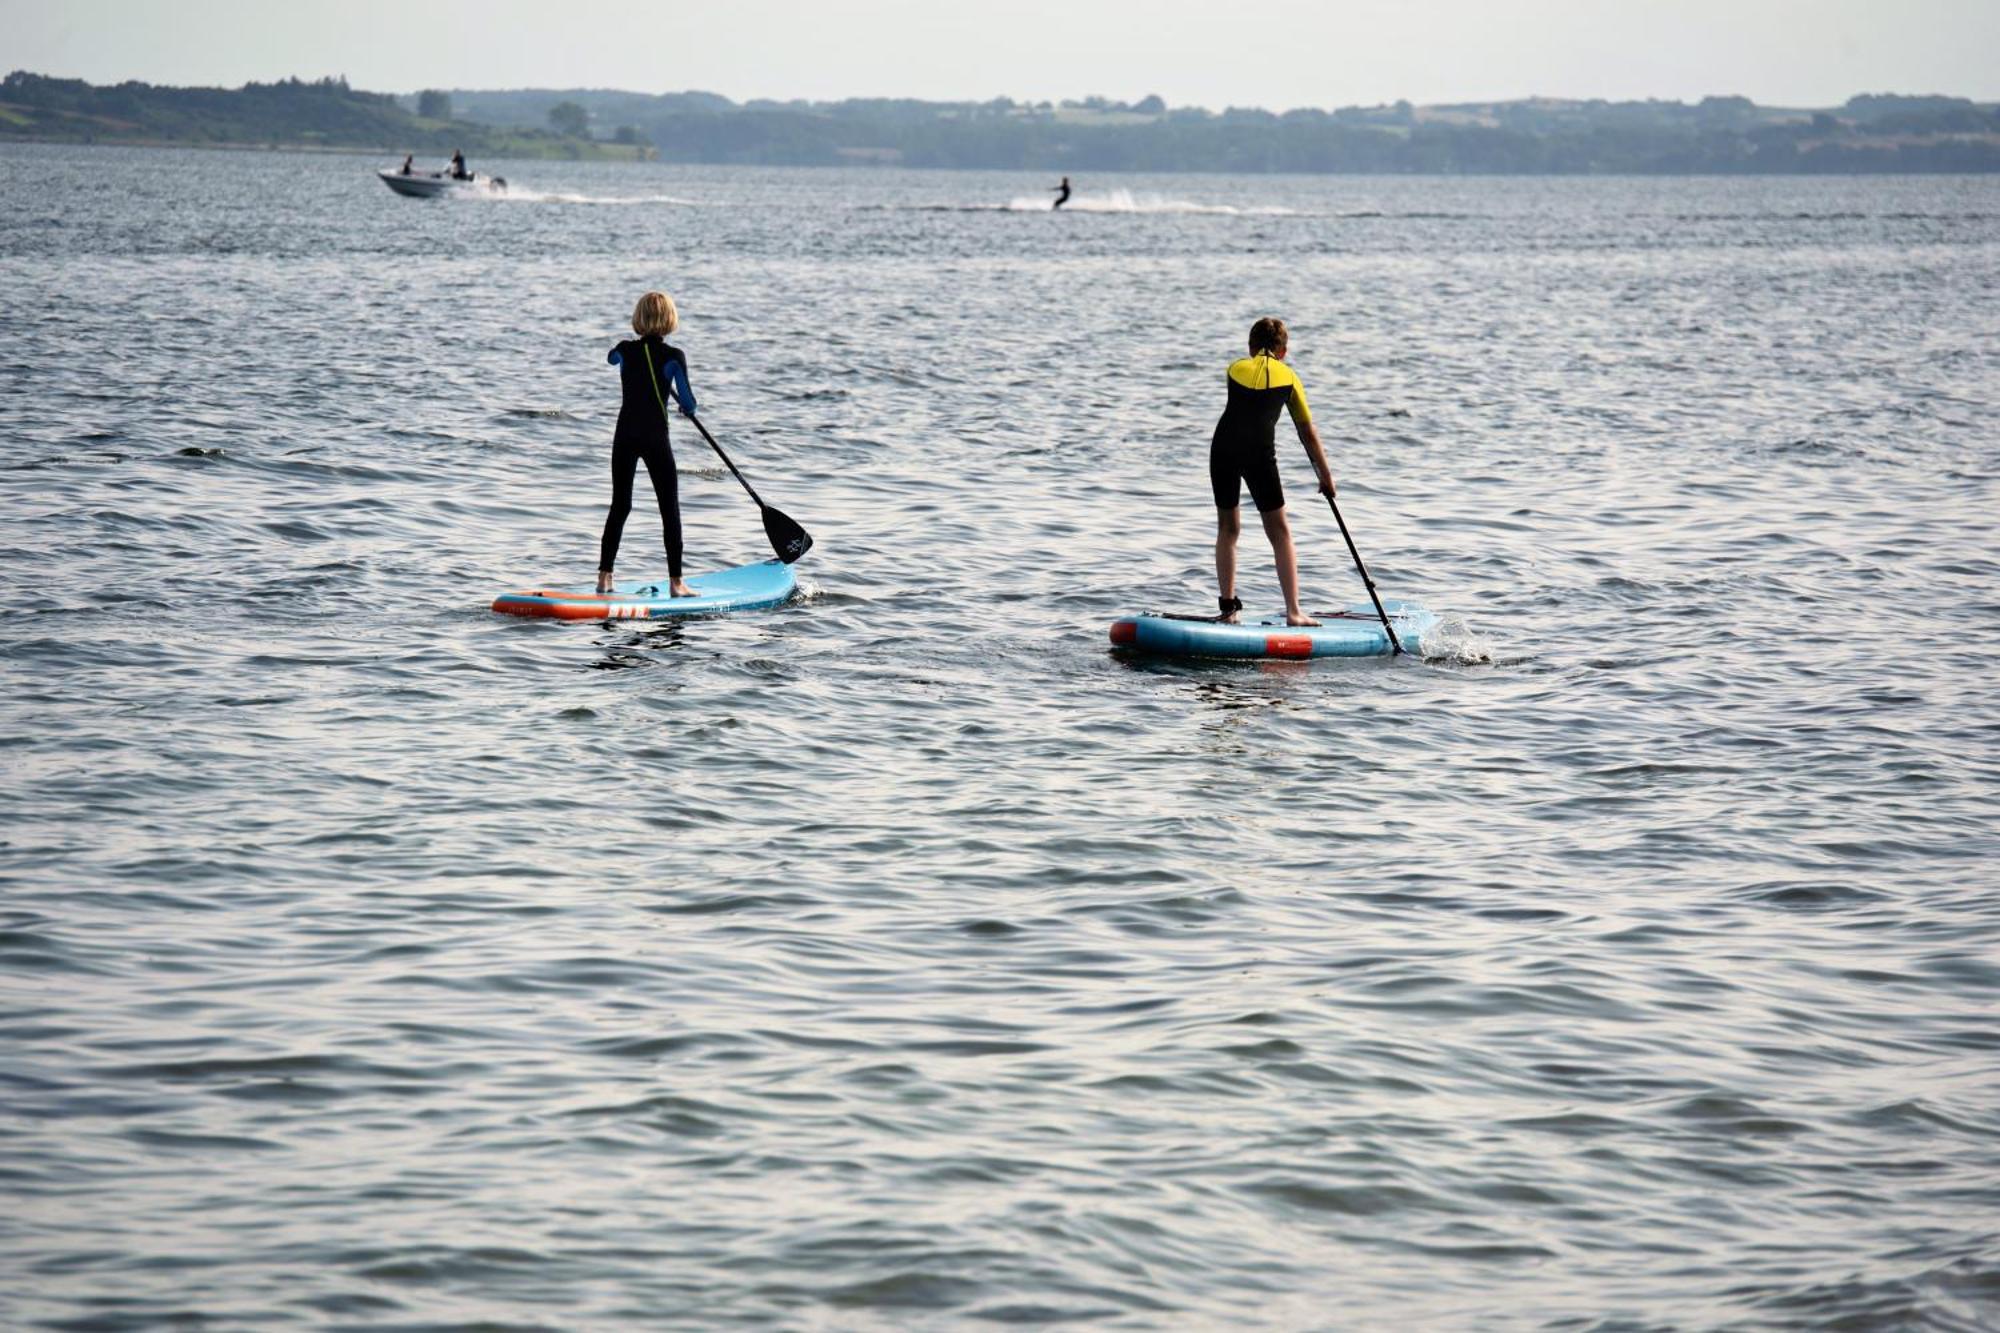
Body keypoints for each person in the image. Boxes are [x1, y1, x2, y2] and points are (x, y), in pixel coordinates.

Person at [1209, 317, 1336, 627]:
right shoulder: (1290, 378)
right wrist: (1325, 476)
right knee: (1279, 533)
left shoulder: (1235, 368)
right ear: (1284, 350)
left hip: (1222, 449)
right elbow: (1307, 432)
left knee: (1228, 529)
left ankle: (1228, 610)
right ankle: (1294, 612)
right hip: (1259, 455)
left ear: (1251, 347)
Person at [597, 291, 698, 596]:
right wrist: (686, 408)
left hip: (624, 435)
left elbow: (611, 358)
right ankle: (676, 583)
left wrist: (624, 353)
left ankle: (604, 578)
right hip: (655, 438)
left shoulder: (625, 350)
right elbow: (690, 403)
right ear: (669, 321)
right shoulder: (673, 357)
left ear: (639, 319)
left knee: (620, 506)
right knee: (669, 509)